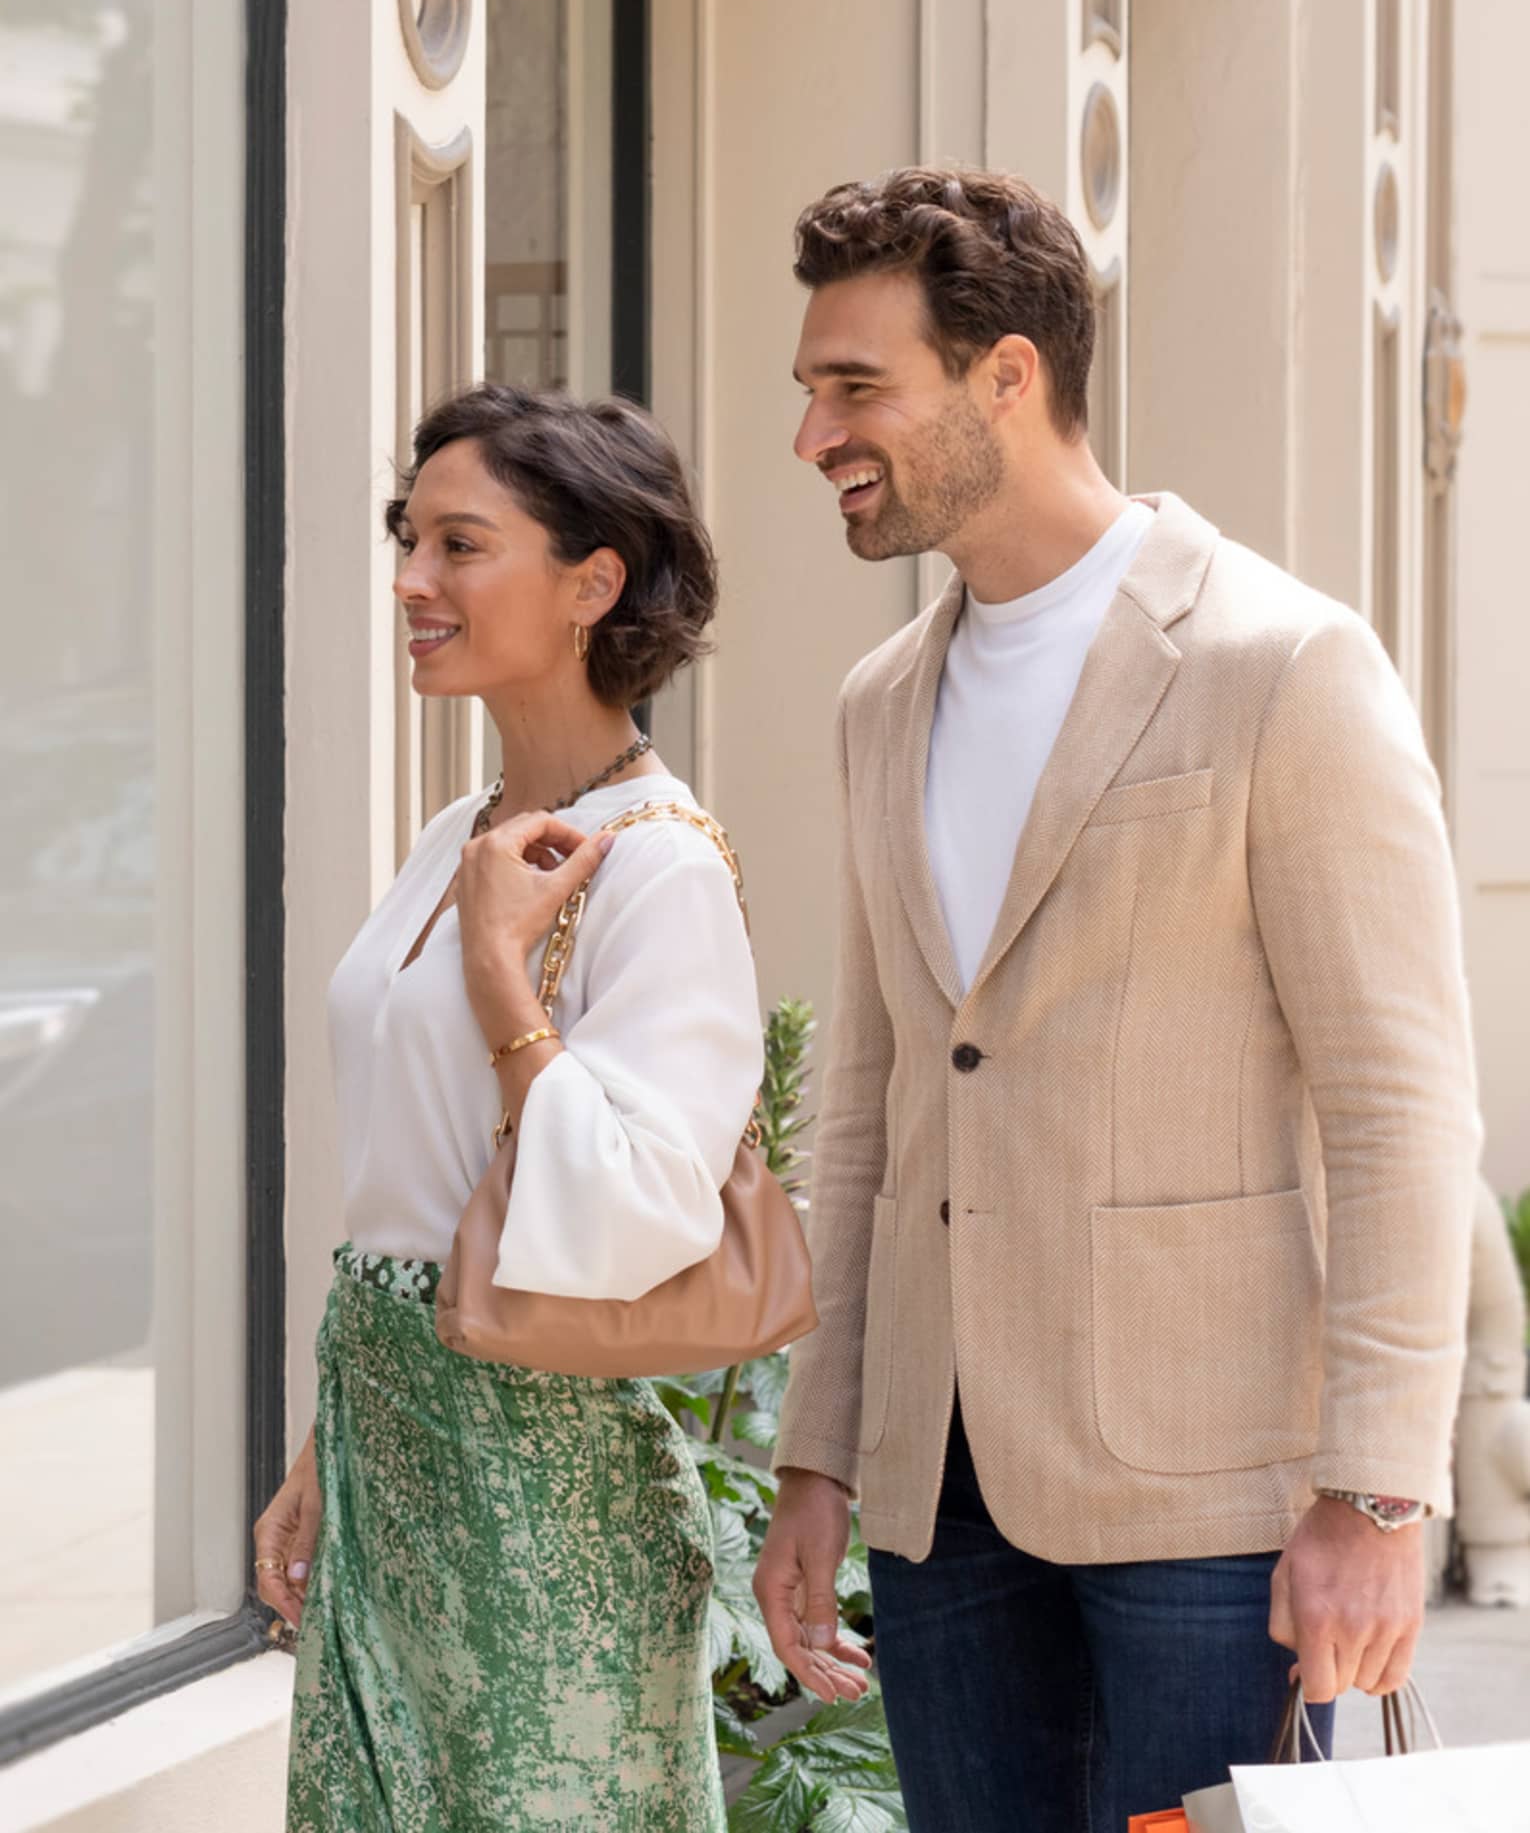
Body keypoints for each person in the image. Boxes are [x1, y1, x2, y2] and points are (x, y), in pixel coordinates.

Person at [753, 167, 1481, 1830]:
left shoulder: (1279, 664)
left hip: (1211, 1493)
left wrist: (1375, 1492)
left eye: (853, 386)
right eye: (806, 391)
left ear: (1006, 374)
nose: (813, 436)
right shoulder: (880, 699)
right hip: (939, 1488)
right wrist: (819, 1455)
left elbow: (1398, 1104)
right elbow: (866, 1106)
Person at [256, 384, 763, 1832]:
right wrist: (323, 1448)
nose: (412, 581)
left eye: (458, 545)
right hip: (392, 1449)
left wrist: (499, 975)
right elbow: (405, 1182)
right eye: (408, 541)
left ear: (593, 579)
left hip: (542, 1490)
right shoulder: (453, 833)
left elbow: (641, 1213)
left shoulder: (658, 863)